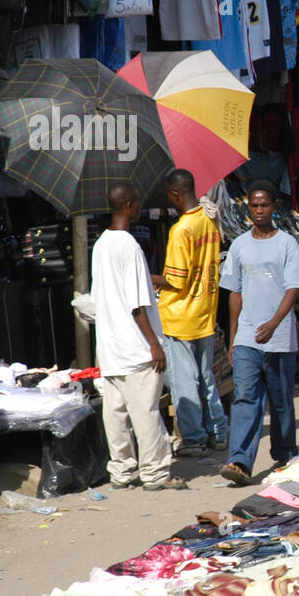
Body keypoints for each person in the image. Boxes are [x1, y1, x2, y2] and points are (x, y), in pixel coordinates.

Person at [91, 185, 185, 491]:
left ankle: (121, 472)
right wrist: (154, 344)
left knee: (116, 415)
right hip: (136, 347)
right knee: (145, 413)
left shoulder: (101, 244)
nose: (140, 209)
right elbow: (136, 305)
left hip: (110, 347)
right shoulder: (129, 245)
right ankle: (155, 473)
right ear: (128, 205)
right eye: (137, 204)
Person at [219, 180, 299, 486]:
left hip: (279, 335)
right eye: (254, 205)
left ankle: (284, 454)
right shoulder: (239, 246)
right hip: (247, 336)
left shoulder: (286, 244)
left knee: (281, 398)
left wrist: (273, 323)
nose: (259, 210)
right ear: (248, 209)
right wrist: (233, 338)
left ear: (274, 207)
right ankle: (240, 461)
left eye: (265, 205)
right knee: (246, 397)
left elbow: (293, 289)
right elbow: (234, 293)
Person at [150, 169, 226, 458]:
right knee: (205, 377)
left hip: (181, 316)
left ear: (174, 194)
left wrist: (145, 275)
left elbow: (176, 280)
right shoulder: (208, 218)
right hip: (204, 310)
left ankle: (193, 439)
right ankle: (218, 432)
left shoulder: (182, 229)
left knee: (185, 382)